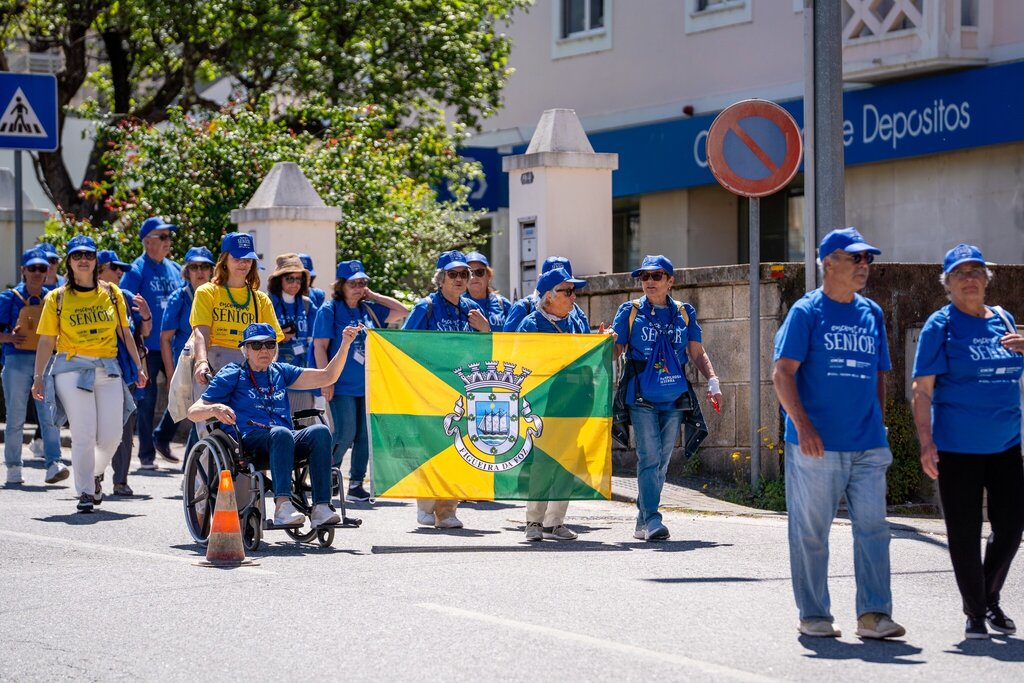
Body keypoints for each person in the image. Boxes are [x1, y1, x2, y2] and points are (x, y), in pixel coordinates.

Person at [772, 227, 905, 640]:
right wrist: (804, 426)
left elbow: (878, 375)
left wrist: (879, 424)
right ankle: (814, 614)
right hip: (816, 446)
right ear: (829, 263)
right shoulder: (807, 312)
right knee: (811, 534)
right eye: (856, 258)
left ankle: (874, 615)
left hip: (867, 444)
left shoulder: (872, 313)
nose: (864, 265)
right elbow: (782, 374)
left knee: (874, 530)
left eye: (868, 259)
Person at [911, 244, 1024, 640]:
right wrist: (926, 441)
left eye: (976, 271)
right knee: (963, 532)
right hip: (956, 447)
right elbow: (922, 389)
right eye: (960, 273)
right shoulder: (940, 325)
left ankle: (988, 595)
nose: (970, 278)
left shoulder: (1004, 319)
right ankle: (976, 611)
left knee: (1011, 528)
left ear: (987, 279)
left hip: (1006, 443)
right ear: (948, 284)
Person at [187, 322, 362, 527]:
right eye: (256, 345)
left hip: (283, 438)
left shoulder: (280, 371)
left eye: (270, 345)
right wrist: (214, 409)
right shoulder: (233, 373)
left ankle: (321, 507)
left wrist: (345, 344)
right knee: (281, 433)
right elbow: (193, 412)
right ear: (246, 350)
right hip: (249, 440)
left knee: (320, 431)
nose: (264, 350)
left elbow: (327, 376)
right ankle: (282, 507)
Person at [32, 236, 146, 513]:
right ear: (69, 262)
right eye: (77, 255)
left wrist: (139, 365)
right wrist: (38, 377)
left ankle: (93, 473)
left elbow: (125, 332)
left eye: (88, 254)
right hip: (70, 368)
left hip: (108, 367)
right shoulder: (56, 298)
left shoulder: (112, 293)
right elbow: (46, 341)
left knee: (112, 435)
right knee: (83, 431)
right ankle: (85, 491)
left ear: (95, 260)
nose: (83, 259)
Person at [612, 255, 721, 542]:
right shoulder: (630, 311)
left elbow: (696, 352)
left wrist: (713, 381)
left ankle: (642, 520)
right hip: (640, 394)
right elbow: (616, 350)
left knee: (662, 460)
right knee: (649, 455)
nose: (649, 281)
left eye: (656, 276)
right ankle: (652, 518)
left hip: (673, 394)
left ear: (670, 281)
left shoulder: (684, 312)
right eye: (644, 276)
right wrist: (605, 342)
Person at [403, 250, 490, 528]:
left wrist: (485, 329)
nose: (460, 279)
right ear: (441, 278)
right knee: (433, 446)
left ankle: (448, 510)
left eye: (465, 273)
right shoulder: (425, 307)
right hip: (429, 388)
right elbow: (403, 345)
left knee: (459, 448)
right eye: (453, 274)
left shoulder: (472, 309)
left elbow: (488, 349)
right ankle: (425, 504)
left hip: (463, 389)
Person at [313, 259, 408, 502]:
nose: (358, 287)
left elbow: (402, 311)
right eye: (353, 283)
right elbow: (320, 346)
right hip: (341, 384)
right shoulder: (330, 310)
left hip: (368, 384)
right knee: (345, 432)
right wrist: (326, 379)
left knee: (365, 435)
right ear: (341, 285)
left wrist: (374, 295)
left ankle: (356, 483)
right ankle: (327, 476)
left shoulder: (369, 309)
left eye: (362, 283)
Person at [515, 267, 596, 540]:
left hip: (575, 400)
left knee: (567, 461)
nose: (574, 296)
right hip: (545, 403)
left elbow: (586, 356)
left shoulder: (576, 322)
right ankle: (534, 522)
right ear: (549, 296)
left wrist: (602, 342)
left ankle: (555, 522)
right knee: (543, 462)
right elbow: (522, 364)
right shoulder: (531, 325)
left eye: (574, 291)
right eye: (568, 291)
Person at [119, 217, 184, 467]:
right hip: (147, 347)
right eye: (163, 237)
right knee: (146, 400)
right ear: (147, 241)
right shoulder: (136, 270)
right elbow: (125, 303)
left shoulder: (175, 268)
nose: (168, 242)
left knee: (182, 393)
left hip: (172, 345)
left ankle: (162, 437)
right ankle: (146, 454)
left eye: (169, 237)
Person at [1, 248, 67, 485]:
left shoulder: (54, 298)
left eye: (42, 268)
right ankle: (13, 467)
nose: (38, 273)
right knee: (15, 416)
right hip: (16, 361)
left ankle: (53, 463)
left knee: (48, 414)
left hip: (46, 361)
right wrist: (9, 337)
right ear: (23, 271)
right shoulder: (8, 298)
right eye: (33, 268)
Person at [190, 232, 282, 391]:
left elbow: (272, 341)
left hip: (250, 370)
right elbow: (201, 333)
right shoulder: (207, 292)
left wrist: (268, 369)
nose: (243, 263)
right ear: (224, 260)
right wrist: (202, 362)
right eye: (237, 258)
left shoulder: (261, 299)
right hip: (212, 368)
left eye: (248, 259)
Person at [154, 246, 215, 462]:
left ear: (212, 270)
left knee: (197, 412)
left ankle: (188, 461)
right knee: (194, 410)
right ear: (186, 271)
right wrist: (171, 373)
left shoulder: (216, 295)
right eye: (194, 267)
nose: (200, 271)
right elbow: (165, 338)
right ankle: (189, 460)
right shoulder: (178, 298)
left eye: (204, 267)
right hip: (187, 363)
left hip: (211, 361)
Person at [98, 250, 152, 496]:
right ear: (99, 269)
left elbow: (144, 333)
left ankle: (120, 480)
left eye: (122, 269)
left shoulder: (126, 297)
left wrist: (146, 315)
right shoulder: (86, 298)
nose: (119, 272)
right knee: (98, 427)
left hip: (126, 371)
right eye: (114, 267)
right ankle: (94, 477)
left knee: (125, 428)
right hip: (97, 370)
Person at [267, 253, 319, 414]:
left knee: (304, 422)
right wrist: (278, 336)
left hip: (303, 376)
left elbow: (316, 340)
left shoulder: (307, 304)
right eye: (290, 278)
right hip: (275, 377)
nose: (295, 283)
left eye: (299, 279)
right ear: (279, 280)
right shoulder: (268, 302)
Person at [503, 256, 590, 332]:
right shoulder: (525, 311)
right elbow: (508, 343)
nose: (573, 296)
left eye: (573, 289)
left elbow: (587, 342)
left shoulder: (576, 312)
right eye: (567, 291)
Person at [463, 251, 512, 330]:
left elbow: (514, 335)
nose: (474, 277)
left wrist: (486, 330)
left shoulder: (503, 304)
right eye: (469, 273)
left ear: (488, 275)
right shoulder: (457, 305)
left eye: (479, 272)